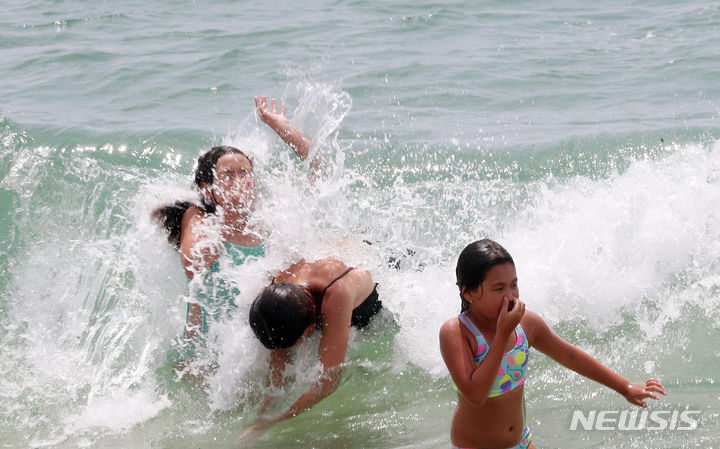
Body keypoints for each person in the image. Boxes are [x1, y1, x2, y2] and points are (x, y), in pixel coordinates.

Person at [438, 239, 666, 449]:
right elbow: (476, 395)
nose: (511, 295)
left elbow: (570, 355)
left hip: (522, 442)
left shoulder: (526, 324)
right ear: (468, 293)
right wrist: (501, 335)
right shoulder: (457, 332)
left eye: (514, 284)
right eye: (499, 289)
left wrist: (623, 387)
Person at [153, 96, 312, 344]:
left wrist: (282, 127)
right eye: (228, 175)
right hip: (204, 362)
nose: (240, 181)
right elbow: (194, 258)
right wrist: (227, 214)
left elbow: (320, 169)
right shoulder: (200, 218)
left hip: (253, 352)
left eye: (245, 173)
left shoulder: (269, 224)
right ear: (208, 189)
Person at [235, 257, 382, 443]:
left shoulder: (337, 293)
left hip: (376, 286)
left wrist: (274, 421)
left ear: (310, 329)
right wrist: (260, 417)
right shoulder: (277, 294)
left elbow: (328, 382)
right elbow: (279, 364)